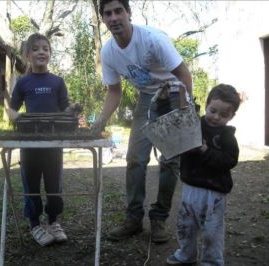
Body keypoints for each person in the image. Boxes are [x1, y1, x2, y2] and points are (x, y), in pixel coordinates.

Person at [92, 0, 193, 243]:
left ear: (129, 13)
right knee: (135, 159)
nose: (114, 17)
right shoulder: (108, 52)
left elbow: (183, 73)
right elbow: (114, 91)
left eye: (118, 11)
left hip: (173, 93)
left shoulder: (152, 39)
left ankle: (159, 218)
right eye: (108, 14)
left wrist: (184, 110)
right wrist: (101, 119)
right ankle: (133, 219)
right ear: (103, 20)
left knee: (170, 161)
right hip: (147, 98)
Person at [166, 84, 241, 265]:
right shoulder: (193, 124)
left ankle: (212, 261)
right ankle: (186, 255)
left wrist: (206, 151)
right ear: (207, 105)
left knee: (212, 231)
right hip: (190, 187)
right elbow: (177, 128)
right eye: (213, 111)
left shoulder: (227, 136)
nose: (216, 117)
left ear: (232, 116)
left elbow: (229, 160)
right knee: (186, 225)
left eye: (224, 115)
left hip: (214, 193)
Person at [7, 33, 69, 246]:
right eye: (35, 49)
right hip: (30, 144)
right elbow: (12, 109)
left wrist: (73, 111)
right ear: (27, 55)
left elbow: (65, 110)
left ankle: (53, 222)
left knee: (54, 186)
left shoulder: (58, 82)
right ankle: (35, 225)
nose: (41, 52)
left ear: (50, 54)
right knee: (31, 186)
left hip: (54, 144)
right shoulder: (23, 82)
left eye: (45, 48)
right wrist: (16, 118)